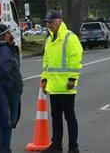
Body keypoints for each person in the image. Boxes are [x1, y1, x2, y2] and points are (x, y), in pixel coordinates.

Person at [41, 10, 83, 153]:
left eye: (51, 22)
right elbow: (46, 62)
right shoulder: (49, 40)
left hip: (66, 86)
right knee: (56, 118)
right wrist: (44, 79)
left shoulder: (69, 37)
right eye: (47, 22)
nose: (49, 25)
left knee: (70, 118)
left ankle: (73, 147)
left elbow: (76, 58)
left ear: (59, 21)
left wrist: (72, 78)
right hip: (53, 86)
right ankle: (56, 145)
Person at [0, 24, 23, 153]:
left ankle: (4, 149)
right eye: (8, 33)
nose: (11, 35)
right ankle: (5, 149)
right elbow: (3, 70)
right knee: (7, 121)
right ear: (3, 36)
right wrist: (10, 87)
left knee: (4, 121)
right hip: (8, 90)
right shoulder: (3, 50)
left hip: (0, 88)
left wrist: (11, 46)